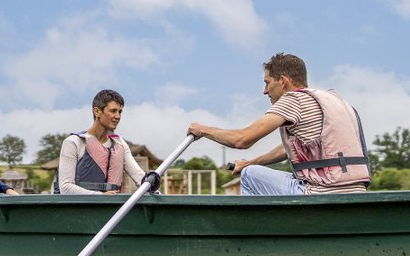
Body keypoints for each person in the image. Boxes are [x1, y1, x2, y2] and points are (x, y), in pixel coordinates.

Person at [188, 52, 371, 195]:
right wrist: (251, 162)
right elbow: (287, 150)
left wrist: (203, 130)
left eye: (267, 83)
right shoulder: (333, 101)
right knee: (251, 168)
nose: (265, 91)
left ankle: (253, 239)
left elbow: (242, 140)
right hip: (356, 190)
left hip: (321, 191)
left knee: (250, 176)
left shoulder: (293, 100)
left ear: (283, 81)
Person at [54, 89, 159, 195]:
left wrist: (155, 190)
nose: (118, 116)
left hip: (111, 208)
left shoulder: (120, 144)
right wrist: (100, 196)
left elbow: (139, 177)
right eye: (113, 111)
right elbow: (65, 187)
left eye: (120, 112)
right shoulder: (73, 143)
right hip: (80, 209)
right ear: (97, 112)